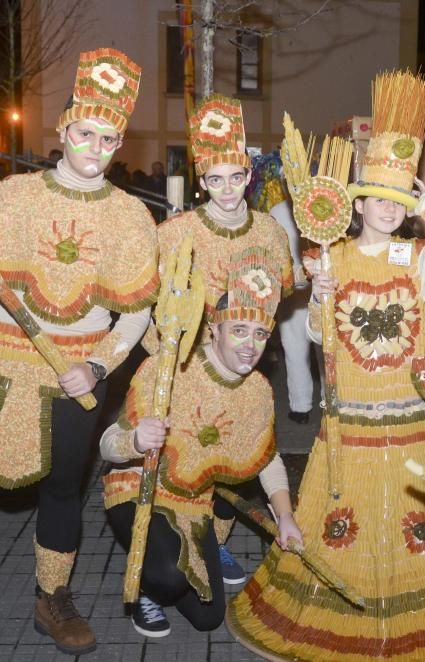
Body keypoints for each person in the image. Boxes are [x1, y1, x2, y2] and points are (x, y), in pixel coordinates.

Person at [227, 70, 425, 661]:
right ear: (358, 204)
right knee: (345, 526)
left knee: (416, 530)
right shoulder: (335, 257)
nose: (384, 208)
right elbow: (323, 335)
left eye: (394, 202)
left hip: (410, 419)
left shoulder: (416, 254)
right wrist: (320, 291)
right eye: (376, 198)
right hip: (351, 418)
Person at [0, 49, 158, 661]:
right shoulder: (11, 195)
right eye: (85, 132)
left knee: (63, 489)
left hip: (77, 369)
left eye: (108, 137)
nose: (95, 147)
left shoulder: (131, 216)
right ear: (63, 129)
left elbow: (136, 312)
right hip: (4, 356)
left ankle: (51, 599)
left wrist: (100, 366)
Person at [101, 274, 302, 638]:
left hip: (192, 501)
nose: (250, 345)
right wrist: (135, 440)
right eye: (239, 329)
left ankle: (164, 568)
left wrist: (285, 516)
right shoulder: (169, 369)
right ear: (215, 330)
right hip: (138, 487)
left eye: (260, 334)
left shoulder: (257, 390)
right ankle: (149, 583)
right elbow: (108, 444)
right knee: (168, 577)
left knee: (208, 618)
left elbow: (267, 457)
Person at [151, 93, 293, 584]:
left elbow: (283, 293)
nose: (228, 189)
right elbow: (156, 304)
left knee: (237, 457)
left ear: (249, 175)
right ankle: (171, 548)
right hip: (188, 368)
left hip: (243, 365)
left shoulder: (272, 232)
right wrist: (158, 368)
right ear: (202, 180)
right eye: (215, 179)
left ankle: (218, 543)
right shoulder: (175, 233)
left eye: (237, 177)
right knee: (187, 460)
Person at [248, 151, 315, 423]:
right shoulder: (276, 212)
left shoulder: (324, 208)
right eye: (291, 182)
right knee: (294, 345)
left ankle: (332, 401)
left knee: (327, 348)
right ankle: (301, 405)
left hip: (323, 288)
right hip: (293, 292)